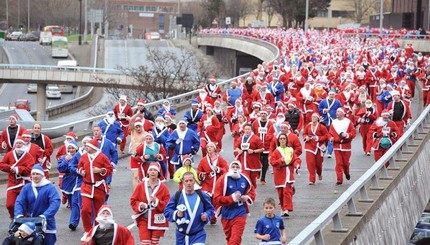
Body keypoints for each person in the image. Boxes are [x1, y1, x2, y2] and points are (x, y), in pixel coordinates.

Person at [14, 164, 61, 245]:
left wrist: (45, 215)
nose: (35, 176)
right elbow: (19, 201)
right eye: (33, 174)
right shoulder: (27, 187)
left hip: (47, 222)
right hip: (30, 223)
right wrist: (18, 214)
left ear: (42, 175)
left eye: (37, 174)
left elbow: (55, 202)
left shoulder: (49, 187)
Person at [164, 172, 215, 245]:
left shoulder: (202, 195)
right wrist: (176, 214)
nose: (189, 183)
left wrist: (206, 215)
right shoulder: (177, 195)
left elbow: (210, 209)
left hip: (198, 235)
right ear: (183, 182)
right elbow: (167, 211)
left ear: (194, 181)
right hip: (181, 236)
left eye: (191, 180)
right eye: (186, 181)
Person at [78, 138, 113, 242]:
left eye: (87, 146)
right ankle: (88, 230)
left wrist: (101, 171)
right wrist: (81, 171)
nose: (85, 147)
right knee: (85, 209)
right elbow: (79, 166)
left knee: (99, 211)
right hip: (87, 187)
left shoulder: (102, 157)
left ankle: (99, 230)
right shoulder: (84, 156)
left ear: (93, 147)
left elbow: (109, 169)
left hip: (99, 187)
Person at [213, 161, 256, 245]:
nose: (235, 169)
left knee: (235, 238)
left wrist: (247, 197)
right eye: (233, 166)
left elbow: (252, 191)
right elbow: (217, 198)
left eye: (237, 167)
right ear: (230, 168)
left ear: (240, 169)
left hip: (240, 212)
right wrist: (232, 198)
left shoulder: (245, 178)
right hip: (226, 213)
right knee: (230, 238)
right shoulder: (223, 179)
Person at [130, 162, 170, 245]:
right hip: (144, 219)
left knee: (154, 243)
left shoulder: (163, 187)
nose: (153, 172)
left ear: (158, 173)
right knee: (145, 242)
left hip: (157, 220)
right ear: (147, 172)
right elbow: (133, 200)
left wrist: (157, 202)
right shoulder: (141, 186)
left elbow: (168, 204)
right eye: (151, 170)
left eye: (155, 170)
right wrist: (141, 205)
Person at [0, 136, 35, 219]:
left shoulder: (28, 156)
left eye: (20, 143)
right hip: (13, 182)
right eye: (17, 143)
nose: (18, 145)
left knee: (25, 203)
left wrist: (18, 169)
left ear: (23, 144)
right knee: (10, 204)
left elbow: (30, 169)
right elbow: (1, 165)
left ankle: (24, 220)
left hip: (24, 183)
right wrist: (10, 168)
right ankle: (13, 217)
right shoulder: (9, 154)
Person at [269, 133, 301, 217]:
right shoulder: (276, 151)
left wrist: (297, 165)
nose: (282, 140)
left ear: (286, 140)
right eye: (281, 139)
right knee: (280, 193)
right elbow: (272, 162)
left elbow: (295, 159)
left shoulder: (290, 149)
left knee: (287, 191)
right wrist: (280, 160)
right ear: (278, 140)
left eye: (284, 138)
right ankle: (283, 208)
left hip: (288, 173)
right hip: (279, 174)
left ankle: (287, 209)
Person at [197, 142, 228, 224]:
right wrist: (201, 174)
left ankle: (213, 217)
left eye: (211, 147)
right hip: (207, 183)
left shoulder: (220, 159)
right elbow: (199, 171)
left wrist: (219, 169)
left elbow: (226, 169)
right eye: (208, 147)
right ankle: (207, 215)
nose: (209, 148)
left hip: (217, 183)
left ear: (215, 148)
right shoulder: (204, 160)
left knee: (216, 201)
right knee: (206, 199)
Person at [329, 108, 356, 185]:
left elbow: (353, 133)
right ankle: (339, 179)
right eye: (337, 111)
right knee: (339, 163)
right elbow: (330, 133)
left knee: (345, 163)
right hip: (337, 145)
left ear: (343, 113)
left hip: (346, 146)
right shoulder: (334, 122)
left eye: (339, 111)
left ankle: (346, 172)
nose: (337, 113)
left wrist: (347, 135)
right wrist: (331, 138)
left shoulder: (348, 122)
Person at [233, 123, 264, 188]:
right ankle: (246, 191)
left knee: (253, 180)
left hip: (253, 161)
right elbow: (236, 146)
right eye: (246, 129)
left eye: (249, 129)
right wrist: (238, 150)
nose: (247, 131)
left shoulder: (256, 138)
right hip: (243, 161)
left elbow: (262, 148)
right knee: (245, 177)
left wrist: (253, 151)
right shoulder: (241, 138)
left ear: (251, 130)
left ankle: (252, 192)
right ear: (243, 130)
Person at [303, 113, 329, 185]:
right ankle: (312, 179)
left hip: (319, 147)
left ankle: (319, 173)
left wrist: (317, 138)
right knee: (310, 163)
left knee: (318, 164)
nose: (313, 118)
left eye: (314, 117)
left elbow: (326, 136)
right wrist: (306, 137)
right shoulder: (308, 126)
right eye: (312, 117)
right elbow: (304, 133)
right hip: (309, 146)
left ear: (318, 118)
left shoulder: (322, 127)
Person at [318, 89, 343, 158]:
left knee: (332, 136)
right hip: (325, 121)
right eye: (330, 94)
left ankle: (330, 152)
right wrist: (324, 110)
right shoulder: (323, 101)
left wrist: (339, 115)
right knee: (325, 136)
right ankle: (323, 149)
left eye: (333, 94)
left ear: (335, 95)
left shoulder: (337, 102)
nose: (332, 96)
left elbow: (341, 109)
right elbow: (319, 108)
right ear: (328, 95)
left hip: (334, 121)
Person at [57, 140, 79, 209]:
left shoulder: (79, 156)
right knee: (69, 195)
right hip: (68, 178)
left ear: (76, 149)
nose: (71, 150)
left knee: (75, 197)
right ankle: (71, 204)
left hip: (76, 178)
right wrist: (65, 161)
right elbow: (60, 168)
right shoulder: (64, 157)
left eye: (73, 148)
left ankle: (75, 208)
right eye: (69, 148)